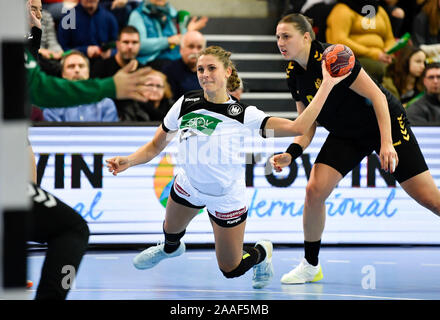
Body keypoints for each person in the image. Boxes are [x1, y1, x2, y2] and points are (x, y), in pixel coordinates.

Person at [105, 45, 351, 289]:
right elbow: (155, 146)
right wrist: (129, 160)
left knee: (230, 269)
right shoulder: (185, 102)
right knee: (170, 233)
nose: (204, 74)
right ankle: (171, 248)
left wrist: (327, 84)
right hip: (189, 185)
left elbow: (298, 127)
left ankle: (262, 252)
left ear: (227, 72)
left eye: (212, 68)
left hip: (226, 198)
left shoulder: (244, 114)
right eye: (200, 69)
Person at [271, 13, 440, 285]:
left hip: (383, 124)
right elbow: (307, 125)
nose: (280, 41)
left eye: (286, 36)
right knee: (314, 191)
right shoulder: (293, 72)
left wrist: (386, 143)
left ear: (305, 37)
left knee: (430, 199)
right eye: (278, 36)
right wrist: (291, 153)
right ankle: (310, 265)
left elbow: (377, 96)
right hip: (347, 134)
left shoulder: (334, 56)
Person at [326, 0, 396, 82]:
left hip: (381, 56)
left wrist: (388, 51)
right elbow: (339, 41)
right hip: (353, 58)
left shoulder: (380, 11)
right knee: (379, 68)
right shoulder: (342, 10)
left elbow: (389, 39)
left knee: (404, 65)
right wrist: (374, 54)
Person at [127, 0, 208, 69]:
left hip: (176, 59)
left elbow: (179, 40)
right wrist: (168, 41)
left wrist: (189, 31)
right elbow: (138, 46)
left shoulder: (171, 14)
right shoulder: (137, 15)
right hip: (152, 62)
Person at [43, 50, 119, 122]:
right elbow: (55, 135)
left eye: (81, 66)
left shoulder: (105, 103)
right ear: (63, 74)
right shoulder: (52, 105)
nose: (77, 70)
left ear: (88, 72)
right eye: (71, 66)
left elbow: (109, 135)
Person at [161, 30, 206, 100]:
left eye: (199, 47)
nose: (195, 51)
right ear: (181, 49)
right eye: (191, 46)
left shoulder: (211, 71)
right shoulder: (169, 70)